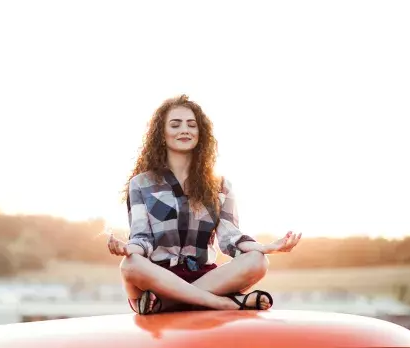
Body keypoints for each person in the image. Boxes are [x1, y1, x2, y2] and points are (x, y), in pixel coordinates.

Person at [107, 95, 301, 315]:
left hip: (203, 278)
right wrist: (126, 248)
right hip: (158, 280)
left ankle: (168, 304)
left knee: (258, 261)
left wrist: (266, 248)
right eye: (175, 124)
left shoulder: (221, 185)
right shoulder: (141, 184)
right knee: (130, 265)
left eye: (192, 125)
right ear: (161, 133)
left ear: (201, 134)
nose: (185, 130)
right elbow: (142, 239)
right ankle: (223, 303)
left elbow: (230, 238)